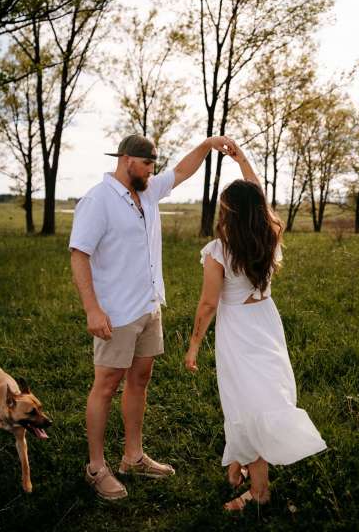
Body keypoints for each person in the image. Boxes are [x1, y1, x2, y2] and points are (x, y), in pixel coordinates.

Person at [69, 133, 237, 500]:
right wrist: (92, 309)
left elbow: (182, 171)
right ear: (128, 159)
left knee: (140, 380)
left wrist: (208, 145)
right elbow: (79, 254)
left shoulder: (146, 191)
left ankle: (133, 456)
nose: (152, 170)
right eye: (148, 163)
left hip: (148, 306)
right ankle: (96, 467)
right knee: (106, 385)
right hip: (115, 312)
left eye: (154, 165)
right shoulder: (98, 201)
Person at [185, 144, 327, 512]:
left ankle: (260, 492)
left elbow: (207, 305)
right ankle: (241, 464)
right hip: (266, 324)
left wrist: (194, 346)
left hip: (238, 332)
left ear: (228, 212)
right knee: (262, 395)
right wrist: (242, 161)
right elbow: (259, 198)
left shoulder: (220, 250)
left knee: (247, 404)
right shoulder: (269, 237)